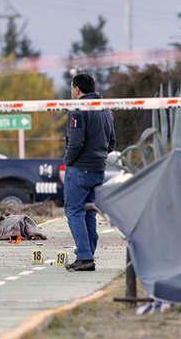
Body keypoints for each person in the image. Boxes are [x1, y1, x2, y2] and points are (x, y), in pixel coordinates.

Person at [64, 74, 115, 272]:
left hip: (80, 169)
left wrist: (68, 161)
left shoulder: (78, 108)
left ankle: (84, 257)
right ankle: (89, 253)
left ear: (77, 89)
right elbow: (112, 142)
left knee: (74, 211)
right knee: (89, 212)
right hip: (99, 168)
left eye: (71, 88)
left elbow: (76, 142)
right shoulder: (106, 110)